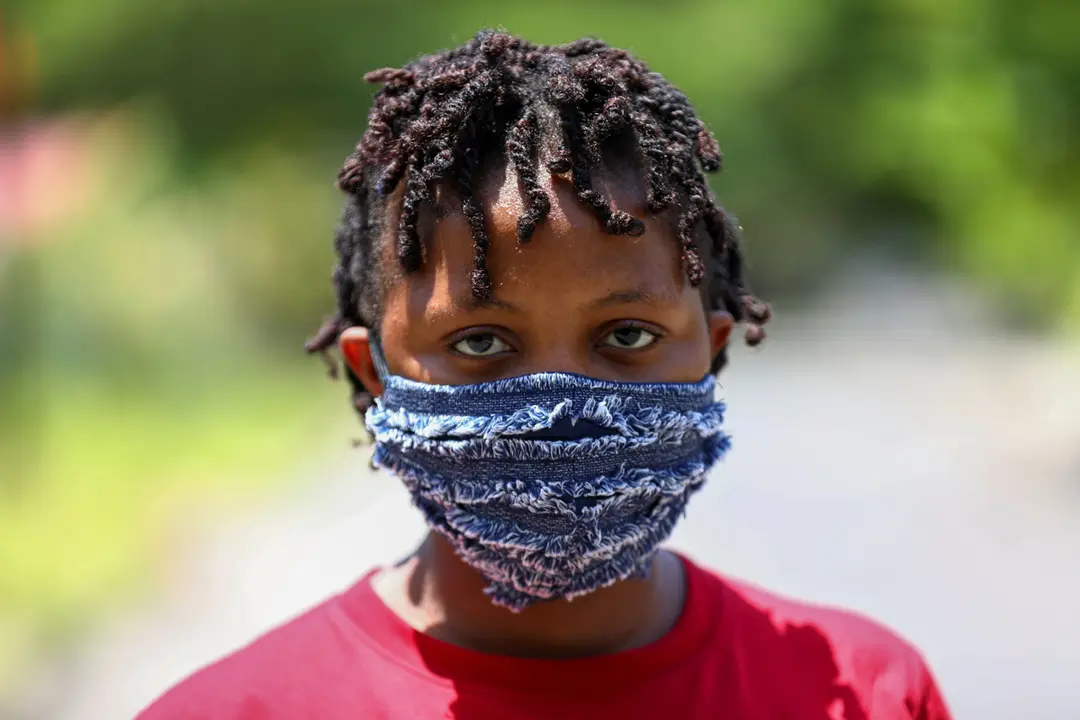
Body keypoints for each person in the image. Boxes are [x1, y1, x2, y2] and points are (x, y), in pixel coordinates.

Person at [139, 30, 952, 719]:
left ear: (710, 351)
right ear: (376, 372)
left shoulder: (861, 694)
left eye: (626, 334)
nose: (562, 407)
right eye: (482, 343)